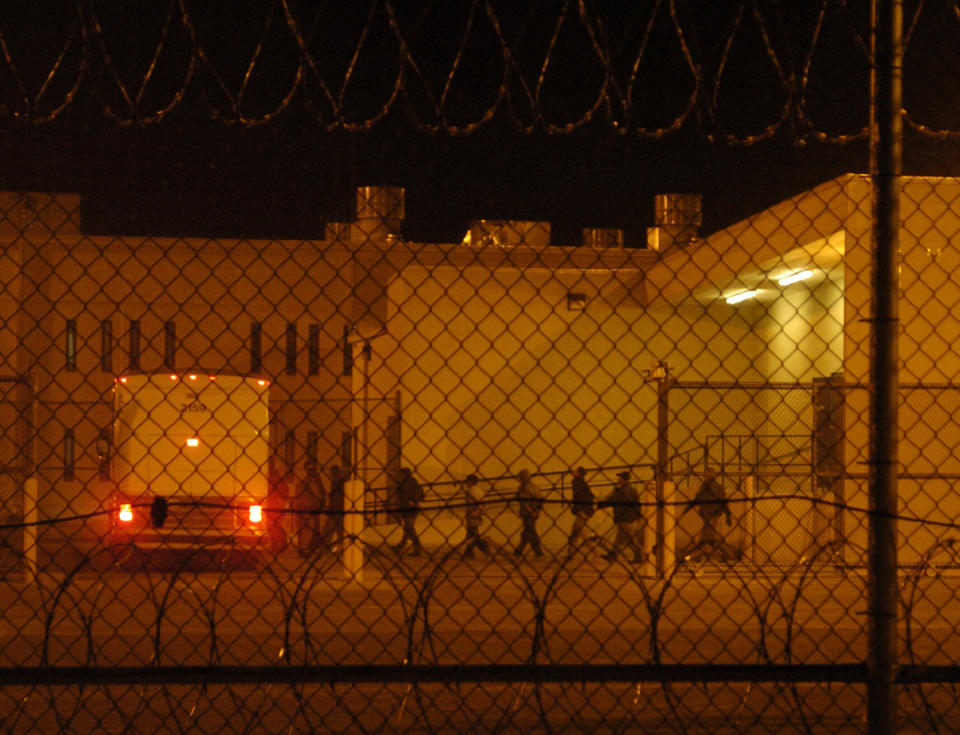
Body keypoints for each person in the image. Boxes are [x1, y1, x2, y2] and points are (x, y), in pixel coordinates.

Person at [598, 471, 644, 563]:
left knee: (624, 540)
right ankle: (615, 556)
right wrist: (639, 516)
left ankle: (614, 556)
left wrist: (600, 505)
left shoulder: (620, 491)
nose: (618, 479)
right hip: (632, 518)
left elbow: (611, 500)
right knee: (624, 540)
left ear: (624, 479)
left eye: (620, 478)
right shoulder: (633, 490)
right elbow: (637, 504)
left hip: (625, 518)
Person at [392, 467, 425, 556]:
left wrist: (400, 510)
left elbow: (404, 498)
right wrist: (417, 502)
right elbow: (422, 494)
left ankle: (418, 548)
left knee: (409, 529)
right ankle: (399, 547)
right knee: (408, 529)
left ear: (404, 474)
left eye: (400, 474)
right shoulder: (415, 482)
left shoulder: (405, 484)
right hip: (414, 509)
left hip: (407, 510)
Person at [295, 461, 325, 556]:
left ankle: (304, 548)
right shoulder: (312, 483)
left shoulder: (301, 483)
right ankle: (305, 549)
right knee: (308, 530)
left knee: (303, 529)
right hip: (310, 508)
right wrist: (320, 503)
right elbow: (318, 495)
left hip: (302, 508)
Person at [514, 469, 544, 558]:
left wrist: (530, 512)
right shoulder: (534, 486)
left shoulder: (523, 488)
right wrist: (537, 511)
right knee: (530, 532)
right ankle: (538, 552)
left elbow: (525, 503)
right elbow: (540, 501)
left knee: (527, 533)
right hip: (535, 512)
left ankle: (519, 552)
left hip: (528, 513)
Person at [567, 466, 595, 552]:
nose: (573, 471)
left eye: (575, 471)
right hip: (583, 509)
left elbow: (580, 498)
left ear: (578, 474)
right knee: (575, 532)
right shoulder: (580, 483)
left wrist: (579, 510)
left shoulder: (578, 484)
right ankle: (570, 552)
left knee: (582, 531)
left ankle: (596, 551)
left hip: (582, 510)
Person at [461, 473, 489, 559]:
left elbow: (470, 504)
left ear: (470, 482)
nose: (466, 483)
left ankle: (482, 548)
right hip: (478, 514)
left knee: (472, 534)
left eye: (467, 481)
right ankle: (470, 552)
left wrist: (473, 512)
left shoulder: (470, 491)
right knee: (473, 534)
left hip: (472, 514)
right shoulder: (479, 490)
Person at [266, 466, 290, 554]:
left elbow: (284, 494)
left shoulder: (277, 483)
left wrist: (279, 500)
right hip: (273, 507)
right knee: (274, 526)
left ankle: (278, 544)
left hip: (276, 508)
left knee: (275, 526)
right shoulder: (276, 483)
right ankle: (278, 544)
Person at [320, 464, 345, 551]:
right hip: (338, 510)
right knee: (338, 530)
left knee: (328, 529)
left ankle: (325, 547)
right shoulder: (338, 482)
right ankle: (341, 546)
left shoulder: (337, 483)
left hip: (336, 510)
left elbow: (336, 498)